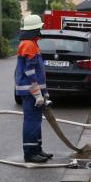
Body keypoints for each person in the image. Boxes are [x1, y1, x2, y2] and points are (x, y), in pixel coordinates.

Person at [14, 14, 53, 163]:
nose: (41, 30)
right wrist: (37, 93)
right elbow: (29, 70)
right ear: (35, 29)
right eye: (39, 28)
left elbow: (38, 70)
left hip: (34, 89)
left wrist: (44, 91)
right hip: (30, 89)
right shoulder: (28, 44)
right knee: (31, 121)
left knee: (36, 121)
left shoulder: (32, 43)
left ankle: (37, 149)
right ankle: (30, 153)